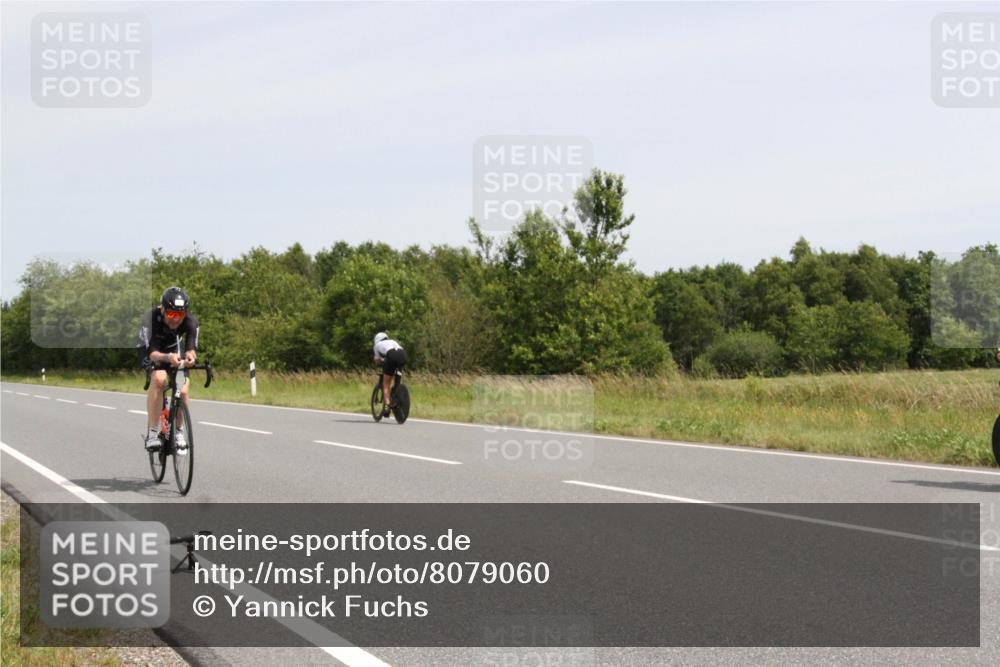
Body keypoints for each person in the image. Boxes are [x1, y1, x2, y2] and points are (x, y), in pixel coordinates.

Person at [136, 287, 200, 452]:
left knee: (183, 391)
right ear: (163, 309)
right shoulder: (151, 319)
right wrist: (167, 358)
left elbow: (192, 347)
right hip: (152, 350)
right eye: (171, 314)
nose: (176, 319)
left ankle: (178, 431)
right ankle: (152, 432)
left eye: (180, 315)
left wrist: (191, 357)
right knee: (159, 379)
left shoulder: (191, 321)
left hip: (173, 349)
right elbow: (152, 353)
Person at [373, 332, 407, 417]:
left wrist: (380, 362)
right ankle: (397, 391)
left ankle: (387, 407)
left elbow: (377, 360)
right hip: (403, 355)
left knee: (386, 384)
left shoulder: (377, 346)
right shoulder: (392, 341)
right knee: (396, 380)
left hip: (391, 356)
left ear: (376, 340)